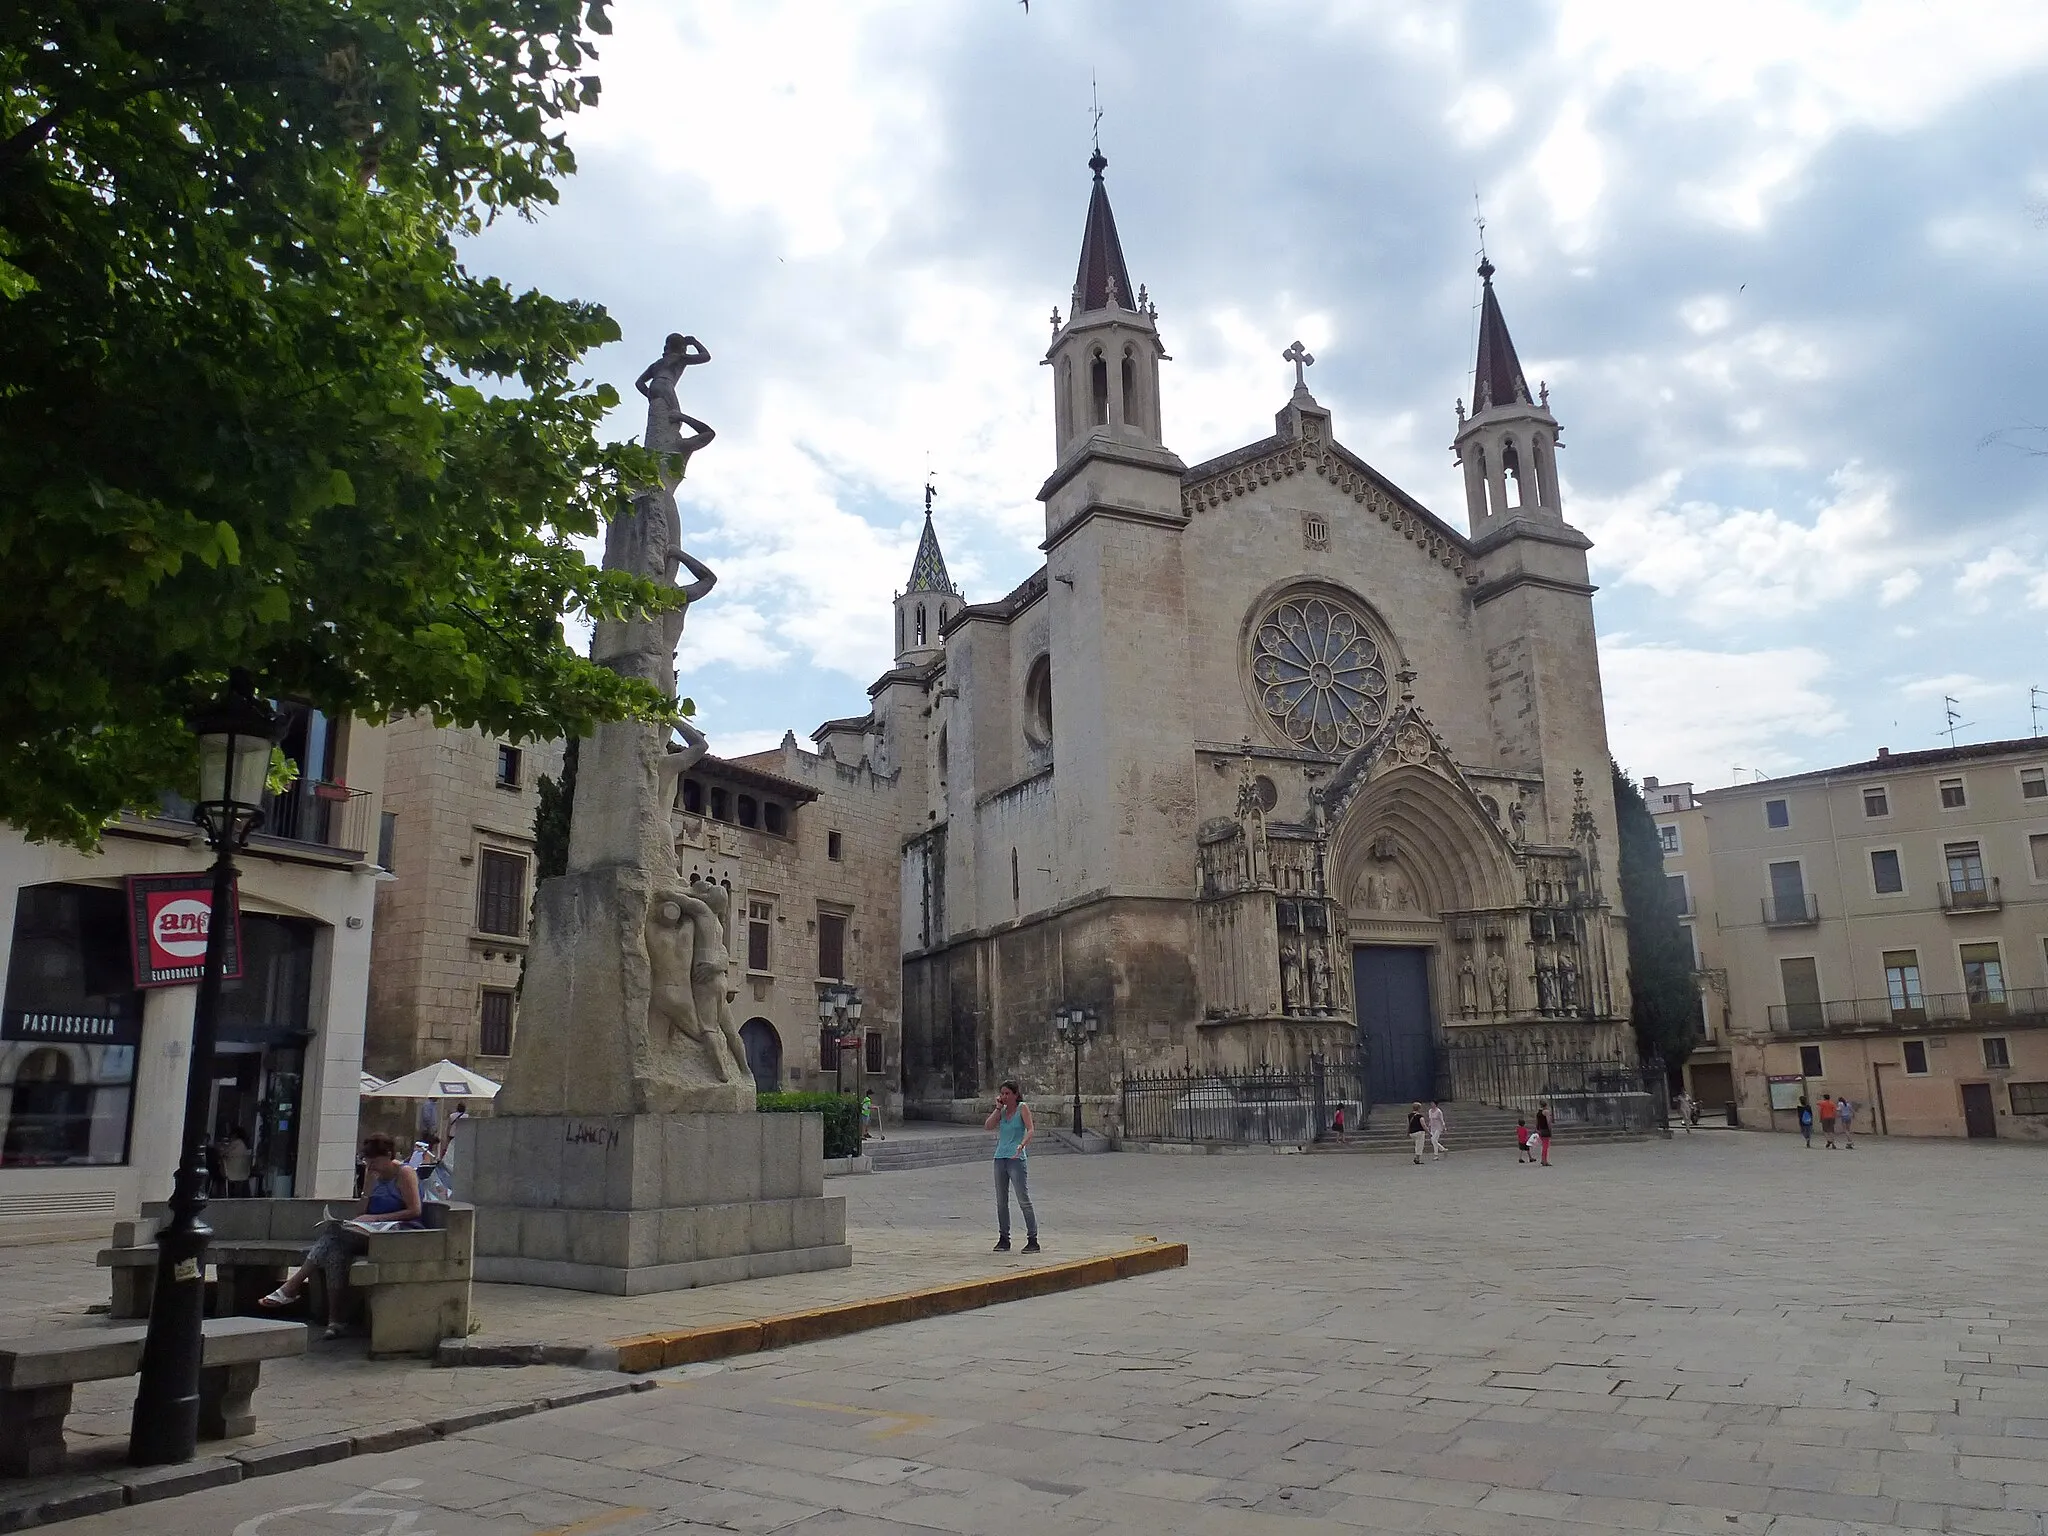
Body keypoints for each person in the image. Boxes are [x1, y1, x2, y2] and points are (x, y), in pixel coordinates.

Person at [260, 1134, 422, 1338]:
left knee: (334, 1233)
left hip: (399, 1231)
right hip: (372, 1232)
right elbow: (361, 1211)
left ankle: (292, 1286)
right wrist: (368, 1188)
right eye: (368, 1161)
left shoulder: (404, 1173)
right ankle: (335, 1321)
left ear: (388, 1155)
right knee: (335, 1252)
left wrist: (376, 1218)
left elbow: (415, 1210)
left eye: (375, 1161)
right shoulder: (373, 1176)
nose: (371, 1166)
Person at [984, 1082, 1038, 1253]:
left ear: (1015, 1095)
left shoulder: (1022, 1108)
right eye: (1002, 1094)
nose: (1004, 1097)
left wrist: (1022, 1144)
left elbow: (1030, 1129)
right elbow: (988, 1126)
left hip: (1016, 1158)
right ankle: (1004, 1238)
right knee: (1001, 1201)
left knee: (1023, 1199)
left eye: (1007, 1093)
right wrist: (998, 1109)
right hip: (1000, 1157)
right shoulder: (1003, 1112)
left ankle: (1032, 1239)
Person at [221, 1130, 254, 1197]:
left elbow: (223, 1153)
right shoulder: (245, 1146)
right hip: (243, 1173)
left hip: (230, 1172)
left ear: (235, 1135)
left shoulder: (235, 1143)